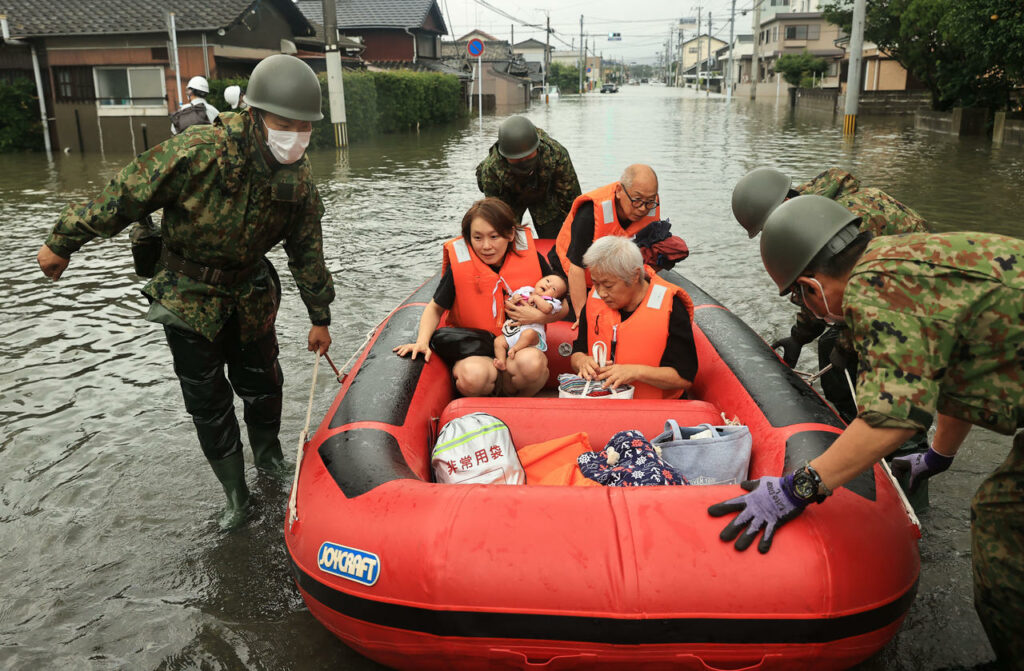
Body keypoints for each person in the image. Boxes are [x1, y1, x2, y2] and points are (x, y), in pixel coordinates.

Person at [708, 194, 1024, 666]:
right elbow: (958, 374)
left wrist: (797, 488)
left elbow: (889, 420)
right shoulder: (899, 258)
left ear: (811, 286)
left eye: (799, 297)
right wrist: (938, 455)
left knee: (1004, 523)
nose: (806, 308)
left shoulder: (876, 290)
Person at [36, 54, 335, 531]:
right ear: (255, 114)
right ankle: (236, 494)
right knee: (208, 400)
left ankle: (270, 459)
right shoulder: (199, 151)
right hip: (187, 295)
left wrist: (319, 317)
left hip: (250, 293)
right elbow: (128, 191)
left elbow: (306, 250)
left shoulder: (297, 177)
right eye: (285, 125)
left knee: (264, 384)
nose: (296, 136)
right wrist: (63, 240)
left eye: (305, 127)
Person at [731, 167, 929, 422]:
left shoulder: (844, 222)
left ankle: (891, 432)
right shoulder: (815, 215)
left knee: (851, 355)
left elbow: (857, 293)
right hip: (880, 288)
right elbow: (821, 289)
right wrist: (799, 337)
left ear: (786, 202)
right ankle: (849, 420)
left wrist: (846, 346)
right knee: (830, 346)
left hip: (910, 293)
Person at [394, 198, 568, 397]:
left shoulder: (532, 259)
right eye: (477, 238)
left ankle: (516, 401)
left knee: (533, 364)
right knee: (472, 376)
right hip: (477, 351)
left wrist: (539, 317)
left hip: (518, 350)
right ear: (468, 238)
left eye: (494, 237)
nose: (486, 246)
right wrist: (422, 342)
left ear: (510, 234)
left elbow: (564, 306)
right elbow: (435, 308)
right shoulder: (460, 267)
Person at [570, 236, 698, 400]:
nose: (601, 293)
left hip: (656, 408)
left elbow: (684, 378)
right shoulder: (594, 301)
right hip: (603, 402)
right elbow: (577, 352)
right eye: (595, 283)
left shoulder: (671, 306)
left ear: (635, 275)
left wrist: (635, 372)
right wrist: (581, 361)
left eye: (608, 286)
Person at [551, 164, 663, 328]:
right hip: (572, 274)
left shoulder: (650, 206)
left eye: (649, 201)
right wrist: (583, 317)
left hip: (613, 278)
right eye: (637, 200)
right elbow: (576, 268)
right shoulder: (590, 213)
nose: (642, 208)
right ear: (619, 191)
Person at [476, 116, 581, 239]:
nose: (523, 161)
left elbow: (571, 197)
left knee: (551, 232)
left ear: (536, 148)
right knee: (505, 231)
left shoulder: (556, 154)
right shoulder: (491, 170)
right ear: (505, 156)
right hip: (509, 195)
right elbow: (494, 210)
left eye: (528, 156)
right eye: (517, 159)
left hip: (543, 191)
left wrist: (577, 230)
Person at [494, 274, 568, 371]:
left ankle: (515, 349)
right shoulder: (525, 290)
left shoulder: (550, 301)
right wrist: (512, 301)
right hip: (514, 332)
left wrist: (536, 298)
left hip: (533, 335)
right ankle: (502, 362)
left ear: (556, 297)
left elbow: (547, 309)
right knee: (498, 341)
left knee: (528, 334)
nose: (548, 285)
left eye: (553, 289)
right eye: (547, 281)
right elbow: (507, 306)